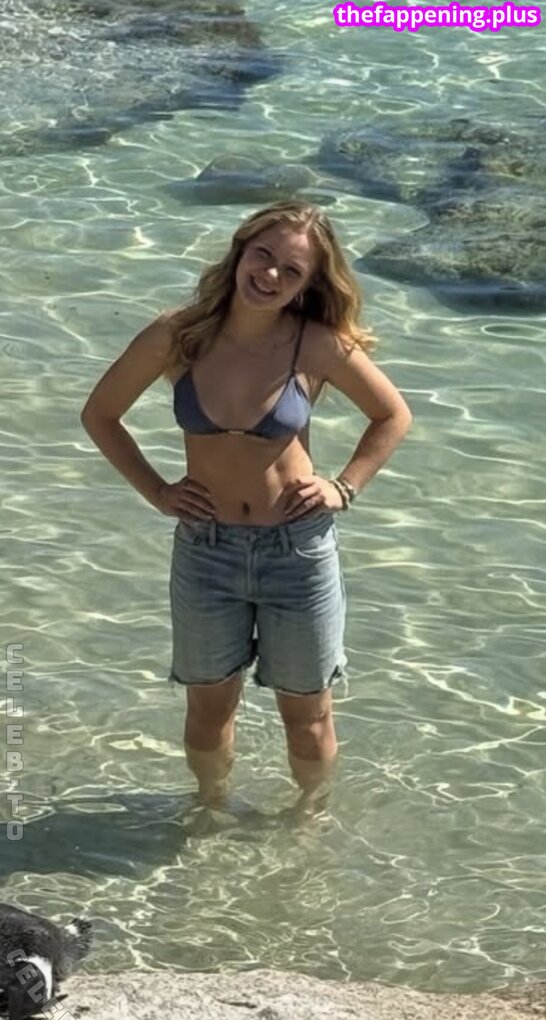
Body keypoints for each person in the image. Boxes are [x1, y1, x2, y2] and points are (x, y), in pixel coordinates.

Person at [80, 200, 412, 815]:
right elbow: (100, 415)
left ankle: (308, 822)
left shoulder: (315, 345)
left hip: (297, 552)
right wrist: (157, 491)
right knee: (208, 709)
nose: (271, 275)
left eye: (292, 270)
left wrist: (343, 487)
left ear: (308, 284)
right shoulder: (178, 336)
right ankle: (210, 812)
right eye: (263, 255)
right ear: (240, 251)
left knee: (307, 715)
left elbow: (392, 415)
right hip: (207, 550)